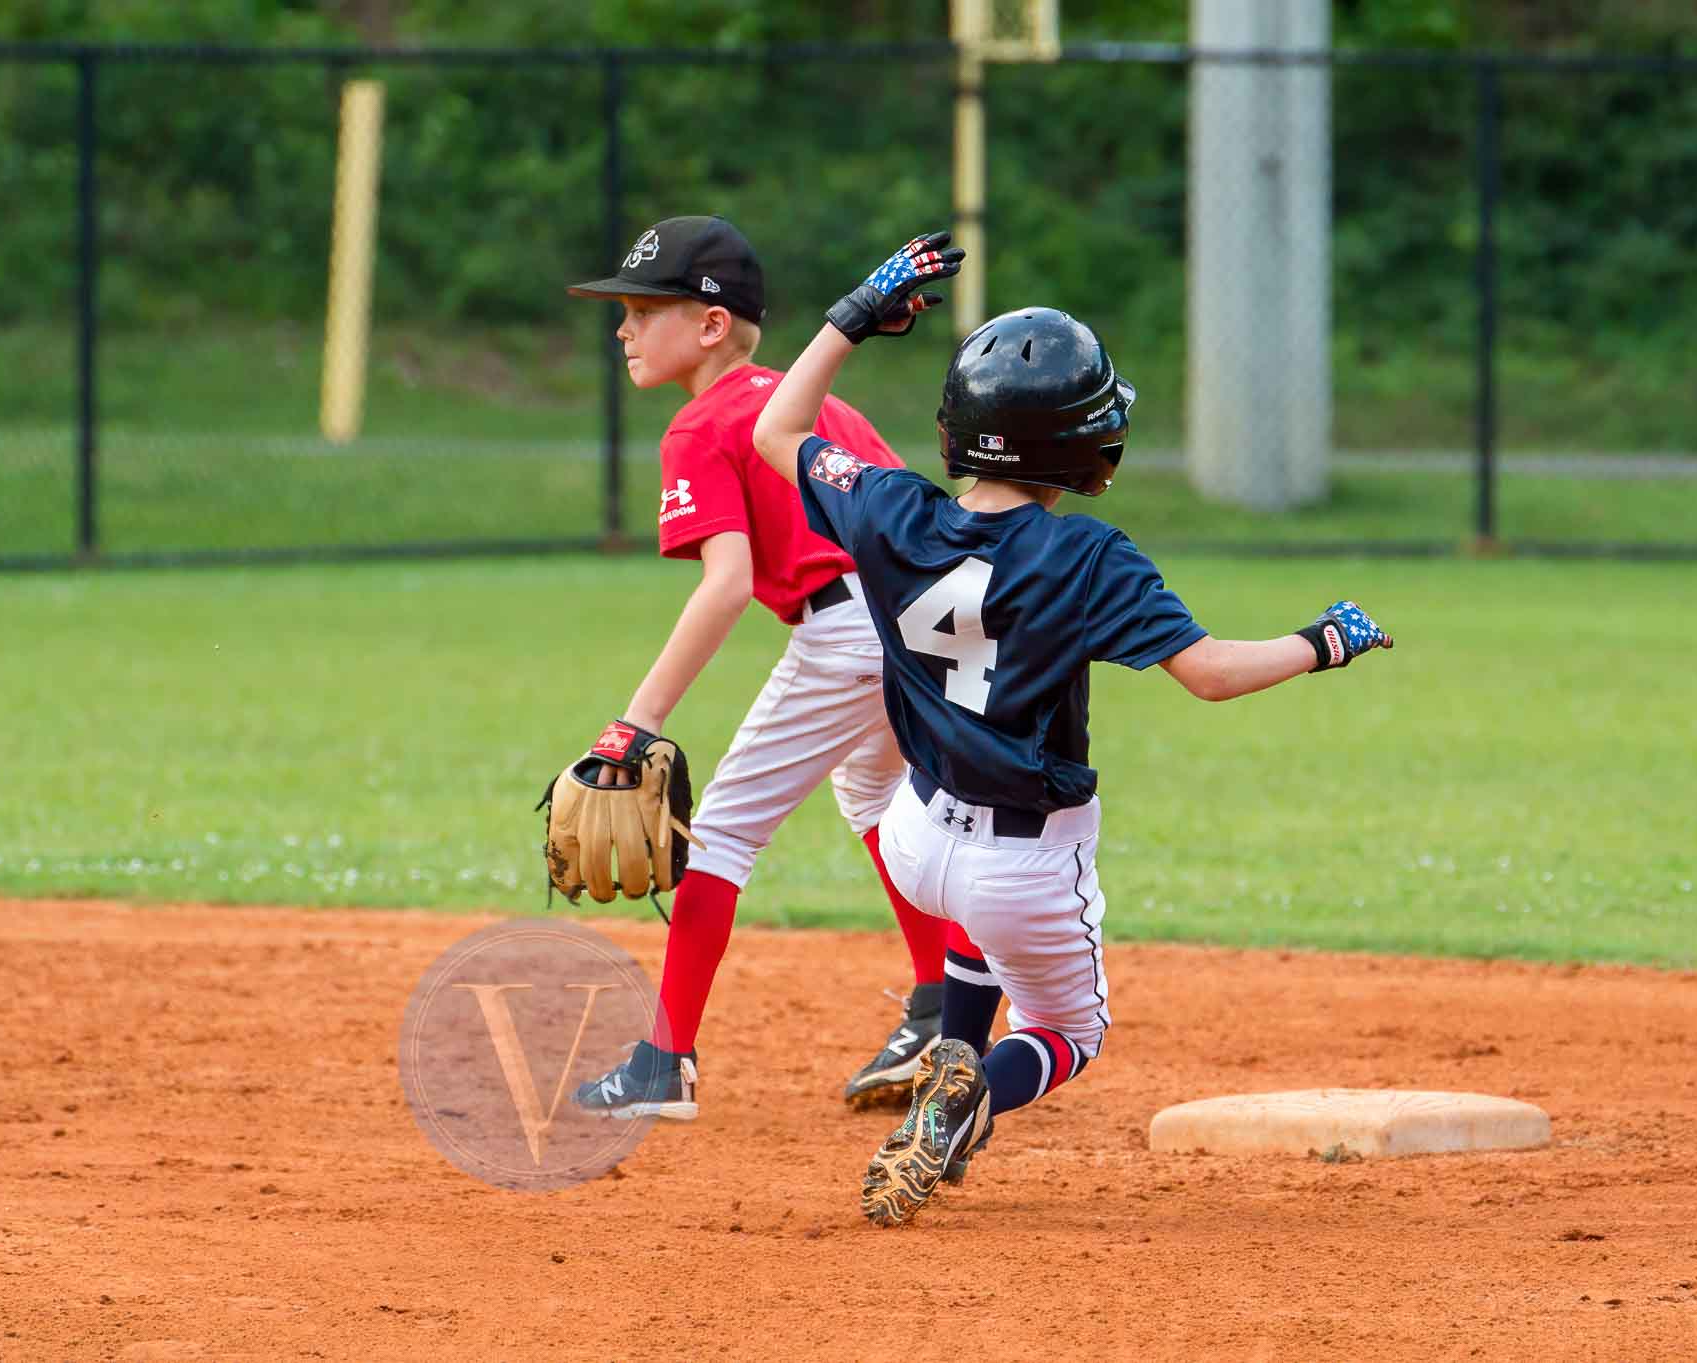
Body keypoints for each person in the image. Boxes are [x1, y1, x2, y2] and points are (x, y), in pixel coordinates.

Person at [751, 232, 1395, 1226]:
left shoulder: (886, 511)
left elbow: (778, 428)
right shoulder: (1086, 557)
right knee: (1064, 1030)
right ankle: (969, 1093)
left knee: (969, 925)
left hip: (915, 834)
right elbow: (1210, 675)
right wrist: (1325, 640)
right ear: (1074, 446)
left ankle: (951, 1053)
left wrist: (855, 312)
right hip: (1026, 860)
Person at [561, 216, 950, 1120]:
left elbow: (728, 584)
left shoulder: (701, 424)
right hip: (923, 624)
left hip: (847, 635)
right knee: (877, 803)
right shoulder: (817, 403)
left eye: (640, 309)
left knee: (722, 838)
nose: (622, 329)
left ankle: (664, 1062)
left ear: (706, 325)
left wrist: (637, 720)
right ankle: (940, 1005)